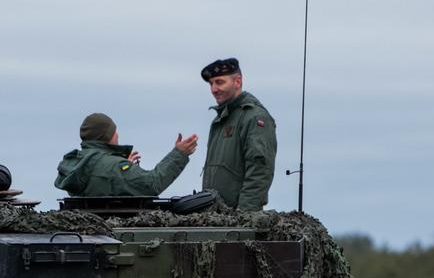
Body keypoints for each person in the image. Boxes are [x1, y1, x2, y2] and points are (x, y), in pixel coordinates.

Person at [54, 113, 198, 197]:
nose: (117, 135)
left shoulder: (76, 163)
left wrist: (121, 166)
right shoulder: (116, 167)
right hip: (114, 236)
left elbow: (101, 178)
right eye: (114, 131)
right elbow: (152, 184)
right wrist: (179, 154)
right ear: (106, 135)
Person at [200, 58, 277, 211]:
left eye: (220, 82)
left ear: (237, 82)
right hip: (216, 217)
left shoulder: (254, 117)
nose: (214, 89)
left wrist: (244, 216)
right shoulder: (221, 119)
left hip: (236, 221)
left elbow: (259, 171)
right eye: (211, 84)